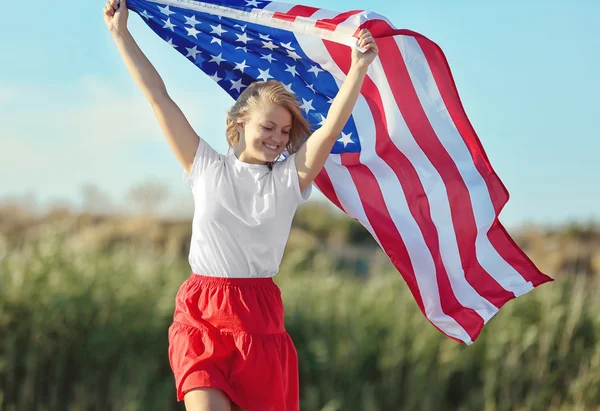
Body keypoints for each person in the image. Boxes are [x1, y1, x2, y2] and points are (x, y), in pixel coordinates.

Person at [103, 0, 378, 409]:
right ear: (239, 124)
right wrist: (122, 35)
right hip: (202, 314)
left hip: (260, 319)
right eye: (268, 126)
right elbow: (158, 98)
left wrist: (358, 69)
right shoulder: (205, 167)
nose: (278, 138)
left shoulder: (289, 180)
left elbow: (330, 129)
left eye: (285, 131)